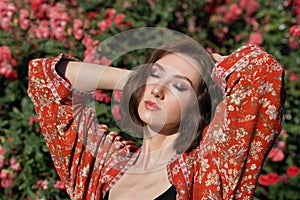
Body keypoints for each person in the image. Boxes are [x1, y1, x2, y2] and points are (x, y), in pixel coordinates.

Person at [27, 38, 285, 200]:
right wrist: (138, 82)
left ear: (198, 108)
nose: (158, 90)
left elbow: (261, 72)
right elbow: (47, 78)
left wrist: (213, 69)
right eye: (155, 75)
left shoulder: (207, 171)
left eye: (180, 87)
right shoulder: (103, 167)